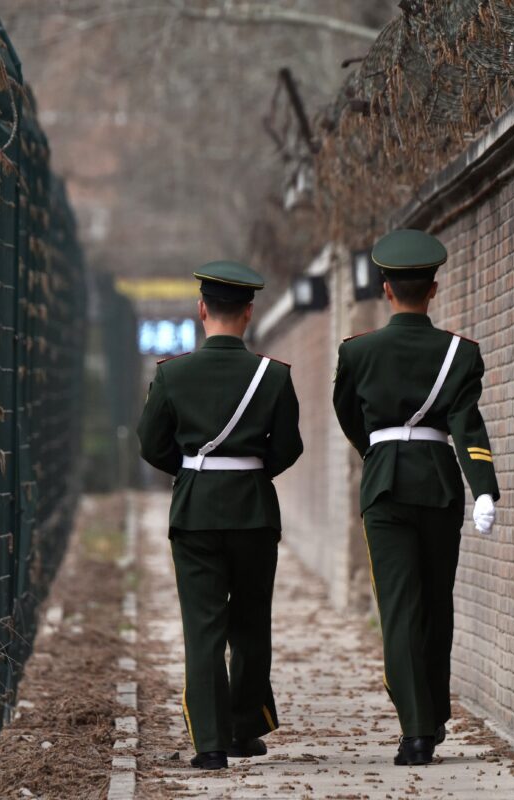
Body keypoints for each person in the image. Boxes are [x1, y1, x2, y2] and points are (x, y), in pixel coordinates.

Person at [332, 229, 499, 766]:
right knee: (434, 604)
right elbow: (467, 426)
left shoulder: (357, 352)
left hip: (383, 486)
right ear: (433, 290)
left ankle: (416, 730)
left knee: (400, 608)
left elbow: (348, 415)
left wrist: (377, 452)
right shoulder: (460, 354)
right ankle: (431, 714)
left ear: (385, 289)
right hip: (438, 485)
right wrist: (484, 491)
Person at [137, 260, 303, 770]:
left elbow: (151, 444)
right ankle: (243, 728)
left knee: (203, 627)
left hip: (195, 511)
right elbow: (289, 447)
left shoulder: (171, 374)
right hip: (253, 510)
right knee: (251, 622)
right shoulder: (273, 376)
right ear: (249, 313)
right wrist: (251, 473)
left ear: (201, 309)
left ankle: (209, 744)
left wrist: (191, 473)